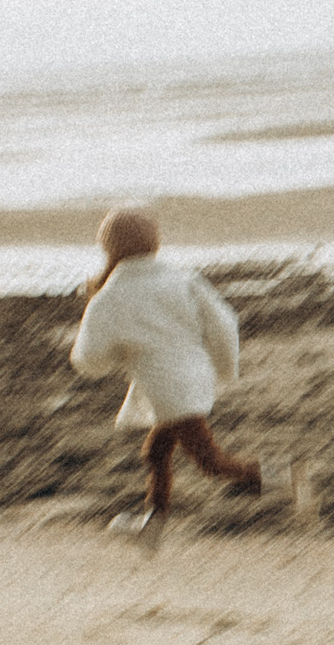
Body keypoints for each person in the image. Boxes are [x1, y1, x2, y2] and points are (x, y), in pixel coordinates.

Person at [70, 208, 263, 543]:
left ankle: (281, 479)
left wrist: (118, 354)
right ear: (154, 244)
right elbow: (224, 324)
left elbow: (88, 357)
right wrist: (223, 368)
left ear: (110, 248)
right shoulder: (183, 279)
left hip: (168, 390)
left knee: (211, 462)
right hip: (196, 377)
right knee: (156, 452)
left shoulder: (110, 297)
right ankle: (153, 524)